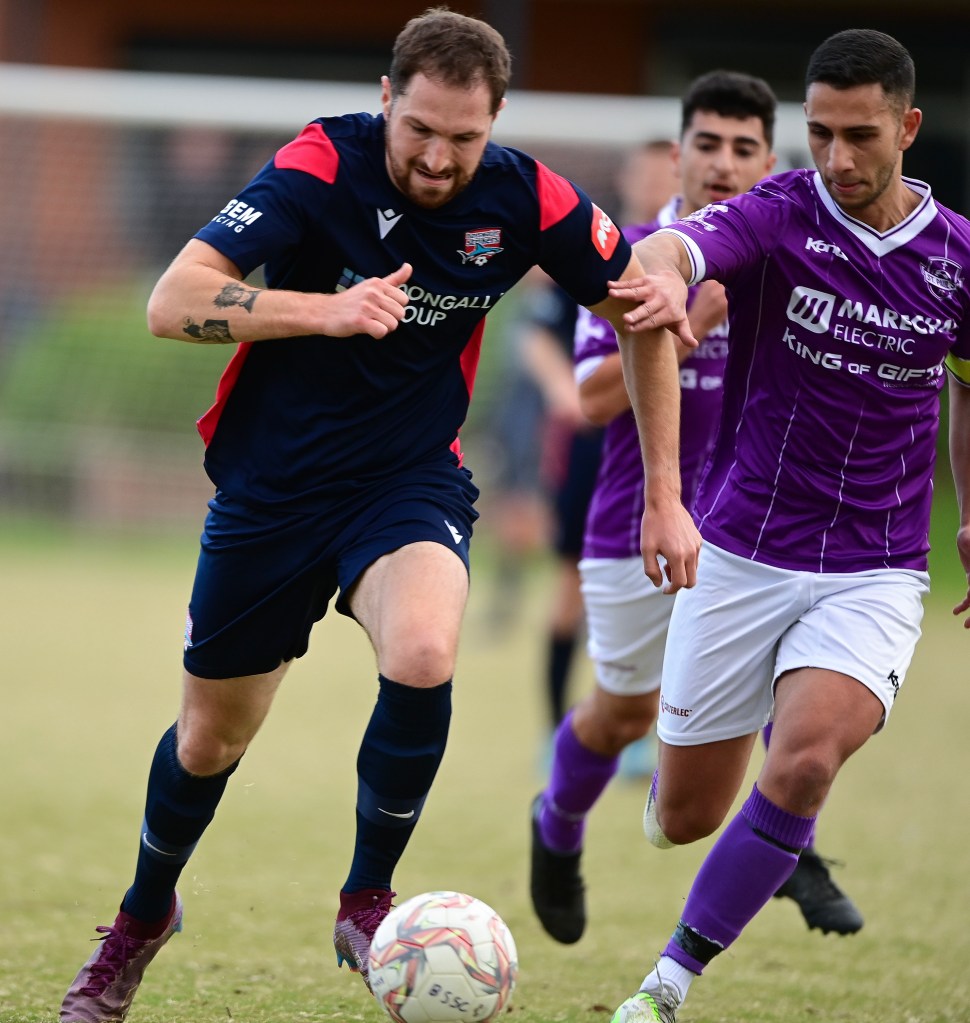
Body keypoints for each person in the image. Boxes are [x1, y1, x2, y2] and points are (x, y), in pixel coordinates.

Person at [57, 9, 679, 1022]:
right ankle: (141, 916)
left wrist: (664, 494)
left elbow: (642, 312)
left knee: (425, 650)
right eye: (418, 129)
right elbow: (173, 301)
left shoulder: (528, 196)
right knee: (210, 740)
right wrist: (326, 310)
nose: (436, 158)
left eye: (462, 138)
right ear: (386, 99)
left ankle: (366, 901)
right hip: (273, 487)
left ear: (496, 120)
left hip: (406, 479)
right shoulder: (320, 164)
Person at [605, 29, 970, 1022]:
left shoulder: (957, 256)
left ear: (908, 127)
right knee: (686, 817)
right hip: (742, 549)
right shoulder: (777, 211)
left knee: (805, 759)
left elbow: (967, 387)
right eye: (820, 133)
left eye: (861, 136)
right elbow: (673, 249)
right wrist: (665, 274)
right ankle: (679, 785)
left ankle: (666, 984)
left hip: (877, 565)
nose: (838, 158)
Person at [530, 69, 863, 948]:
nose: (723, 164)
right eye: (707, 144)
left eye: (744, 148)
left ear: (769, 164)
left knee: (792, 684)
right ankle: (556, 820)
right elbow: (591, 398)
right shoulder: (634, 254)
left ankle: (795, 845)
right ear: (678, 154)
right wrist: (695, 326)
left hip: (755, 528)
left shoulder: (793, 262)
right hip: (633, 528)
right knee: (623, 714)